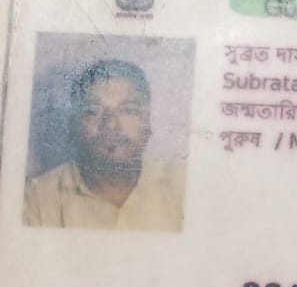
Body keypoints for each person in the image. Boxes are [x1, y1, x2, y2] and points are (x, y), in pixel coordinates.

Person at [24, 58, 185, 232]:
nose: (110, 124)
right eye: (93, 111)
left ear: (147, 123)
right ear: (74, 125)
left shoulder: (184, 187)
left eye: (128, 110)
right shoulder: (35, 200)